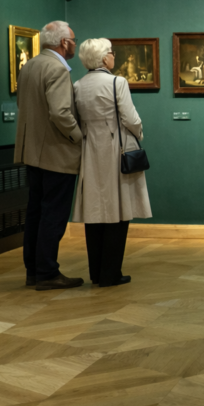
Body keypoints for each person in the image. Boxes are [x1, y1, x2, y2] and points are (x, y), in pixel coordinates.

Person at [71, 39, 152, 286]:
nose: (114, 56)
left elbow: (74, 117)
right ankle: (111, 273)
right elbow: (130, 117)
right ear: (104, 58)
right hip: (115, 148)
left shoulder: (77, 85)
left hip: (89, 148)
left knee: (94, 211)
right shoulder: (118, 82)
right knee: (119, 211)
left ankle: (96, 272)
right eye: (111, 53)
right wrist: (139, 132)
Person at [14, 21, 85, 291]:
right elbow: (60, 113)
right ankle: (47, 272)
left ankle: (33, 270)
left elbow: (25, 106)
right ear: (63, 42)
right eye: (73, 40)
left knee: (35, 212)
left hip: (32, 153)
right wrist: (80, 137)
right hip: (55, 154)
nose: (75, 45)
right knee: (53, 215)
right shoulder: (56, 68)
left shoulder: (30, 65)